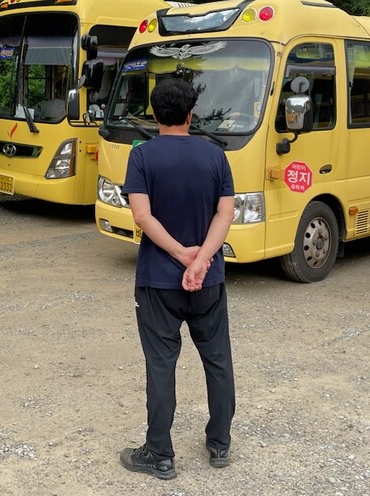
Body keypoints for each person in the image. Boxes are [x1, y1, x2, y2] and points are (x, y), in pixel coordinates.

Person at [119, 78, 236, 480]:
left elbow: (141, 216)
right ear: (191, 114)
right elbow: (225, 214)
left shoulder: (142, 157)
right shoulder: (216, 157)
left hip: (157, 280)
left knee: (161, 364)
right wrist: (201, 258)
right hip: (209, 280)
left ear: (154, 115)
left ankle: (159, 454)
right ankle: (220, 444)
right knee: (217, 359)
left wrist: (179, 254)